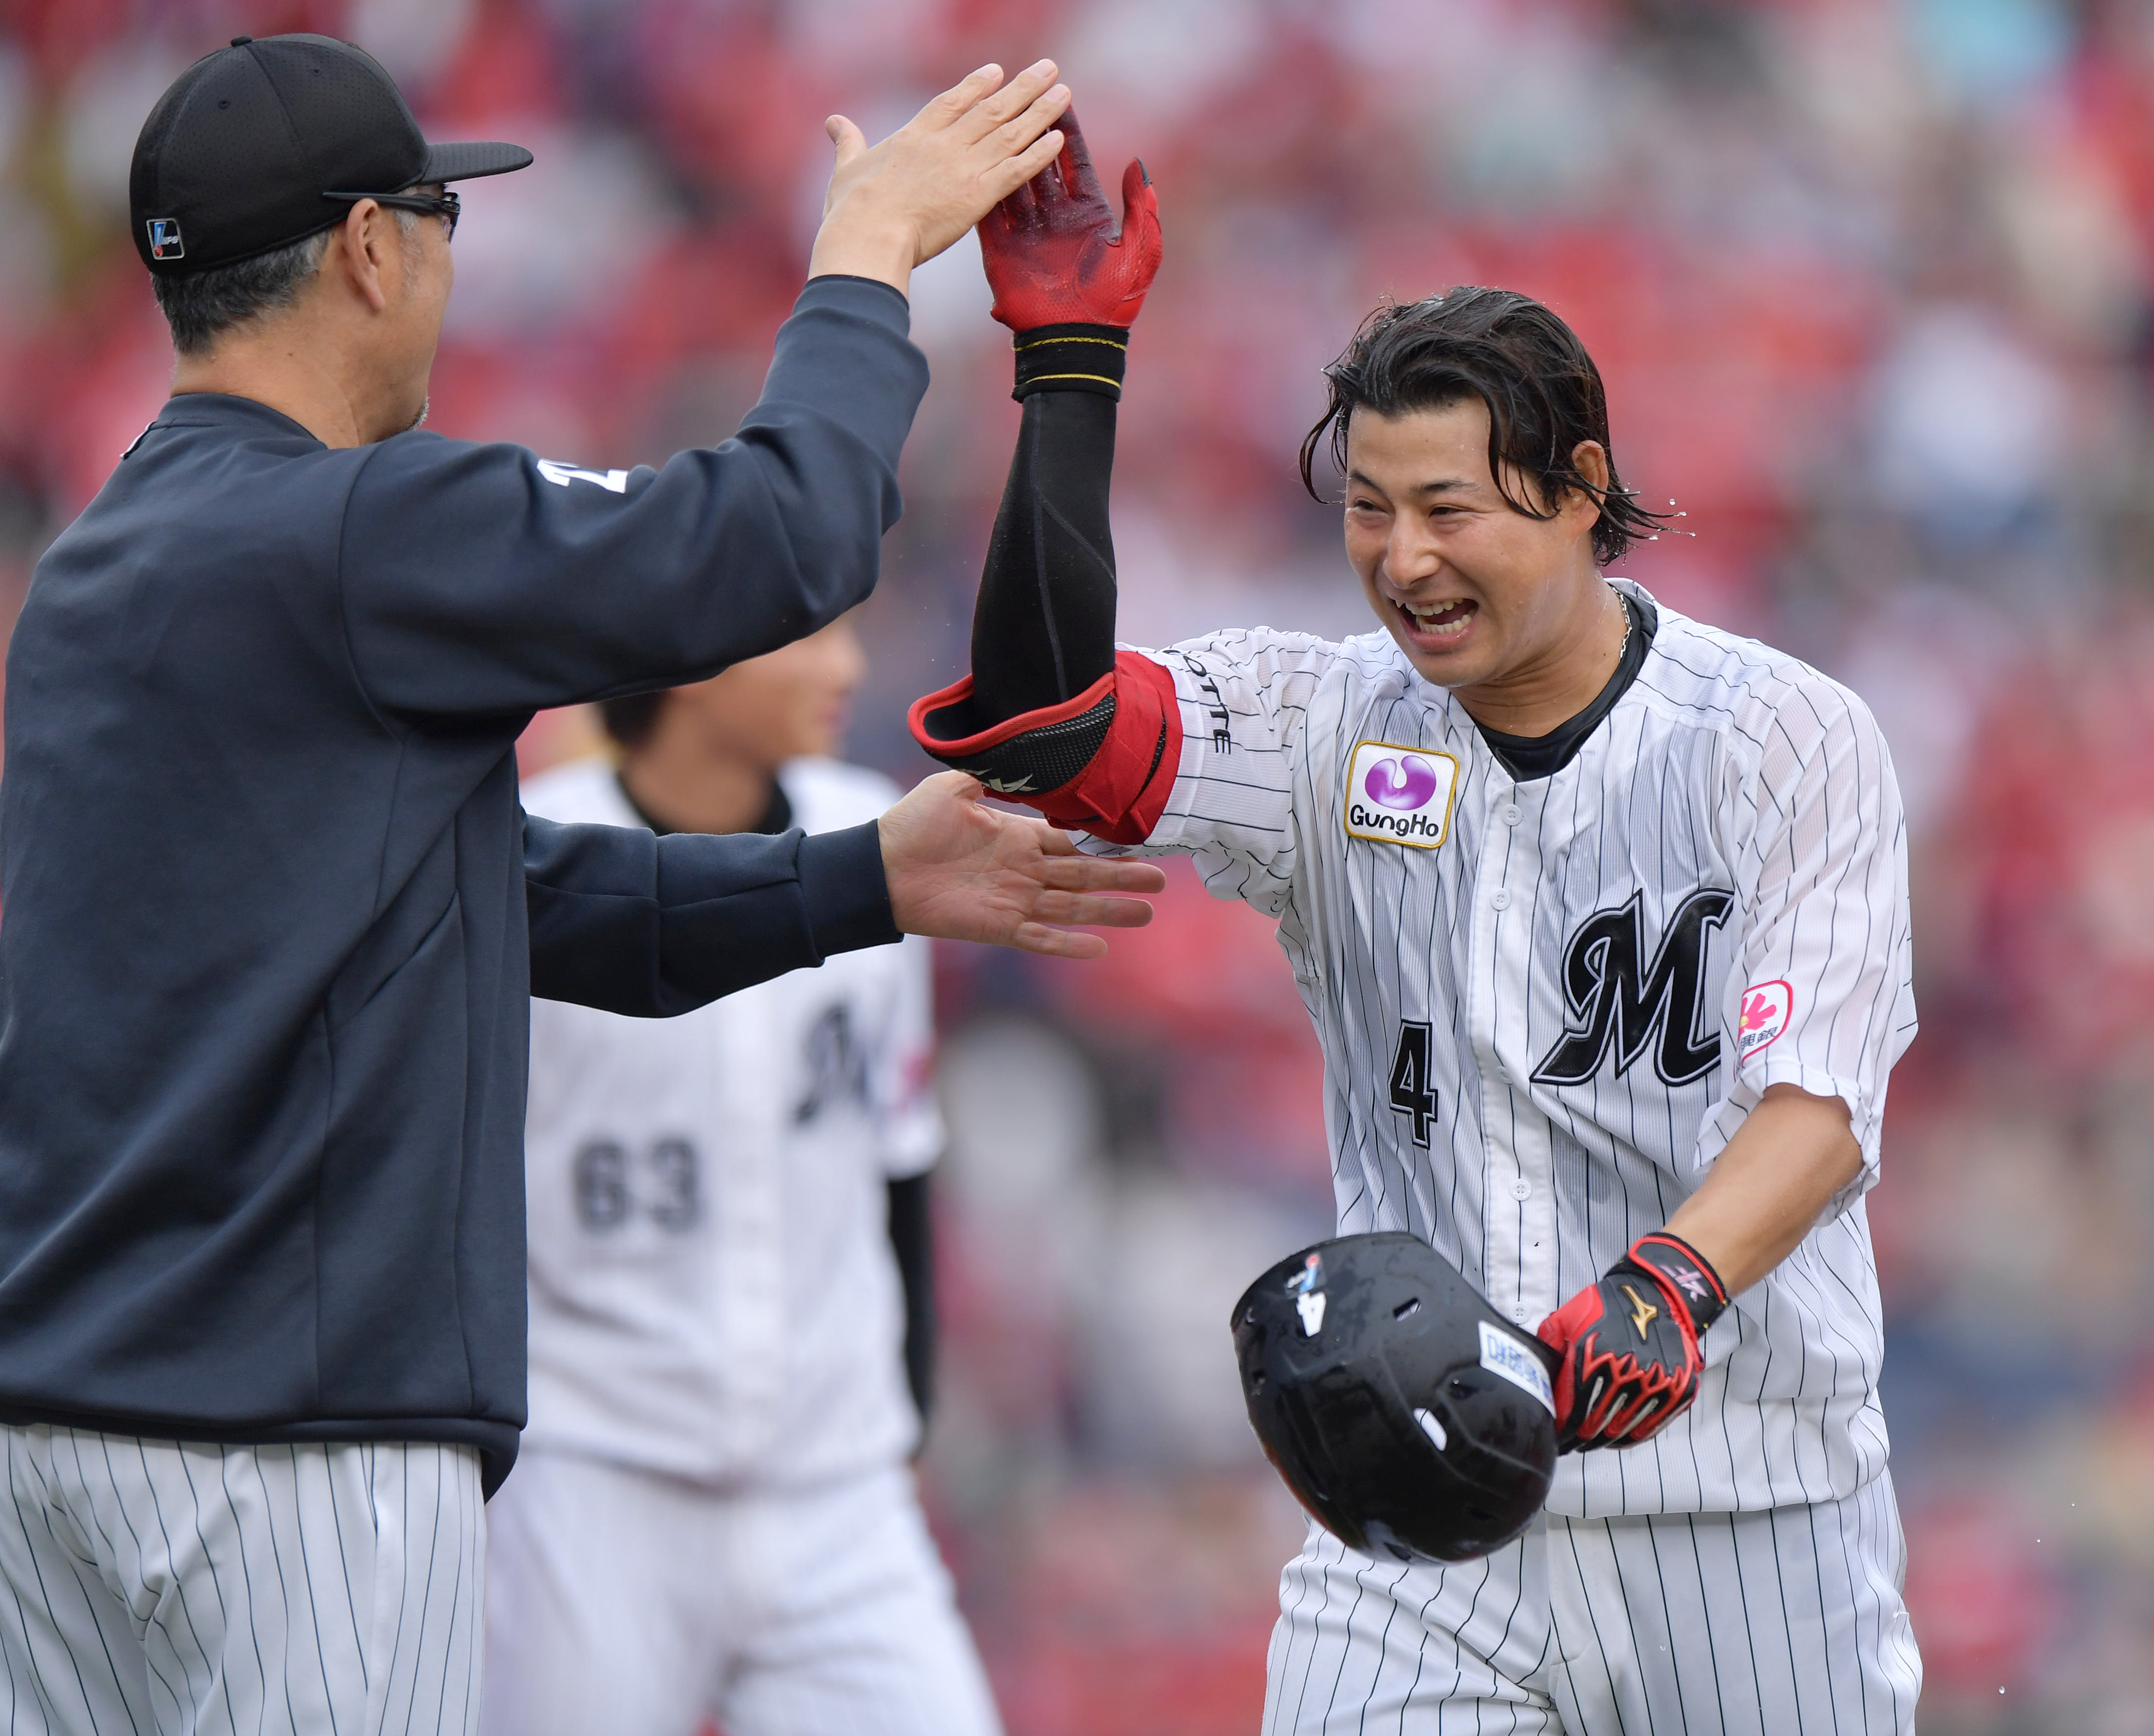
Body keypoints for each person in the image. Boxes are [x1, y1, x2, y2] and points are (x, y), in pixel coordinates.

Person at [0, 35, 1163, 1736]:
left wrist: (861, 881)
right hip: (284, 1439)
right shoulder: (357, 524)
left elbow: (507, 895)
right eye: (435, 216)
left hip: (54, 1432)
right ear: (367, 249)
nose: (450, 261)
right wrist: (866, 256)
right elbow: (782, 540)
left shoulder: (99, 565)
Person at [910, 130, 1922, 1732]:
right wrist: (1069, 368)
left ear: (1584, 490)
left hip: (1747, 1513)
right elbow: (1042, 724)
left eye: (1450, 506)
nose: (1402, 557)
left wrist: (1670, 1279)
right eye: (1369, 507)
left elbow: (1821, 1105)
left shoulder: (1780, 735)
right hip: (1422, 1537)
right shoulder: (1328, 718)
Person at [482, 616, 1000, 1736]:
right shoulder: (539, 860)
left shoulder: (879, 832)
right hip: (591, 1470)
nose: (849, 668)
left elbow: (899, 1156)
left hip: (837, 1485)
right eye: (807, 638)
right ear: (690, 658)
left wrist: (904, 1413)